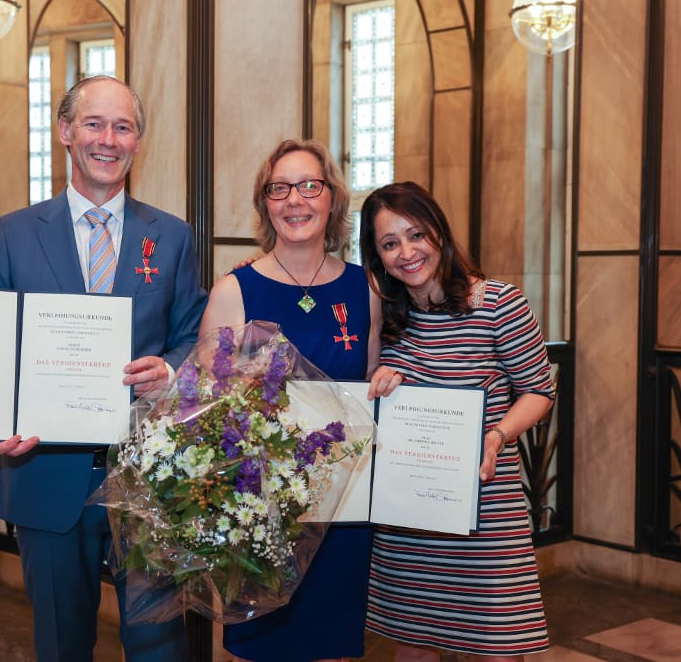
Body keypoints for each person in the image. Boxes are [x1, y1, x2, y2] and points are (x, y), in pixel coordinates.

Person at [0, 75, 207, 662]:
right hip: (45, 474)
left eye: (123, 127)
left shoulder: (172, 237)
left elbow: (191, 337)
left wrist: (171, 372)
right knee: (61, 642)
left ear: (137, 140)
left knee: (160, 644)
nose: (109, 139)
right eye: (94, 124)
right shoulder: (15, 233)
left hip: (152, 479)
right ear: (65, 132)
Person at [199, 138, 382, 662]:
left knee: (335, 647)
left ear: (332, 199)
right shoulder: (233, 291)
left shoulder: (363, 288)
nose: (295, 200)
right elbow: (207, 413)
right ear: (265, 203)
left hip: (343, 509)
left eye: (309, 186)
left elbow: (368, 382)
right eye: (279, 188)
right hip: (263, 513)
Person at [361, 181, 554, 661]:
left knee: (498, 644)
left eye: (416, 235)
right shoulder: (386, 317)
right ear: (377, 257)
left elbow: (539, 390)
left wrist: (498, 434)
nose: (406, 252)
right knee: (413, 647)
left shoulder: (498, 304)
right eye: (390, 244)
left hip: (486, 512)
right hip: (409, 518)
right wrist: (381, 377)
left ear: (440, 235)